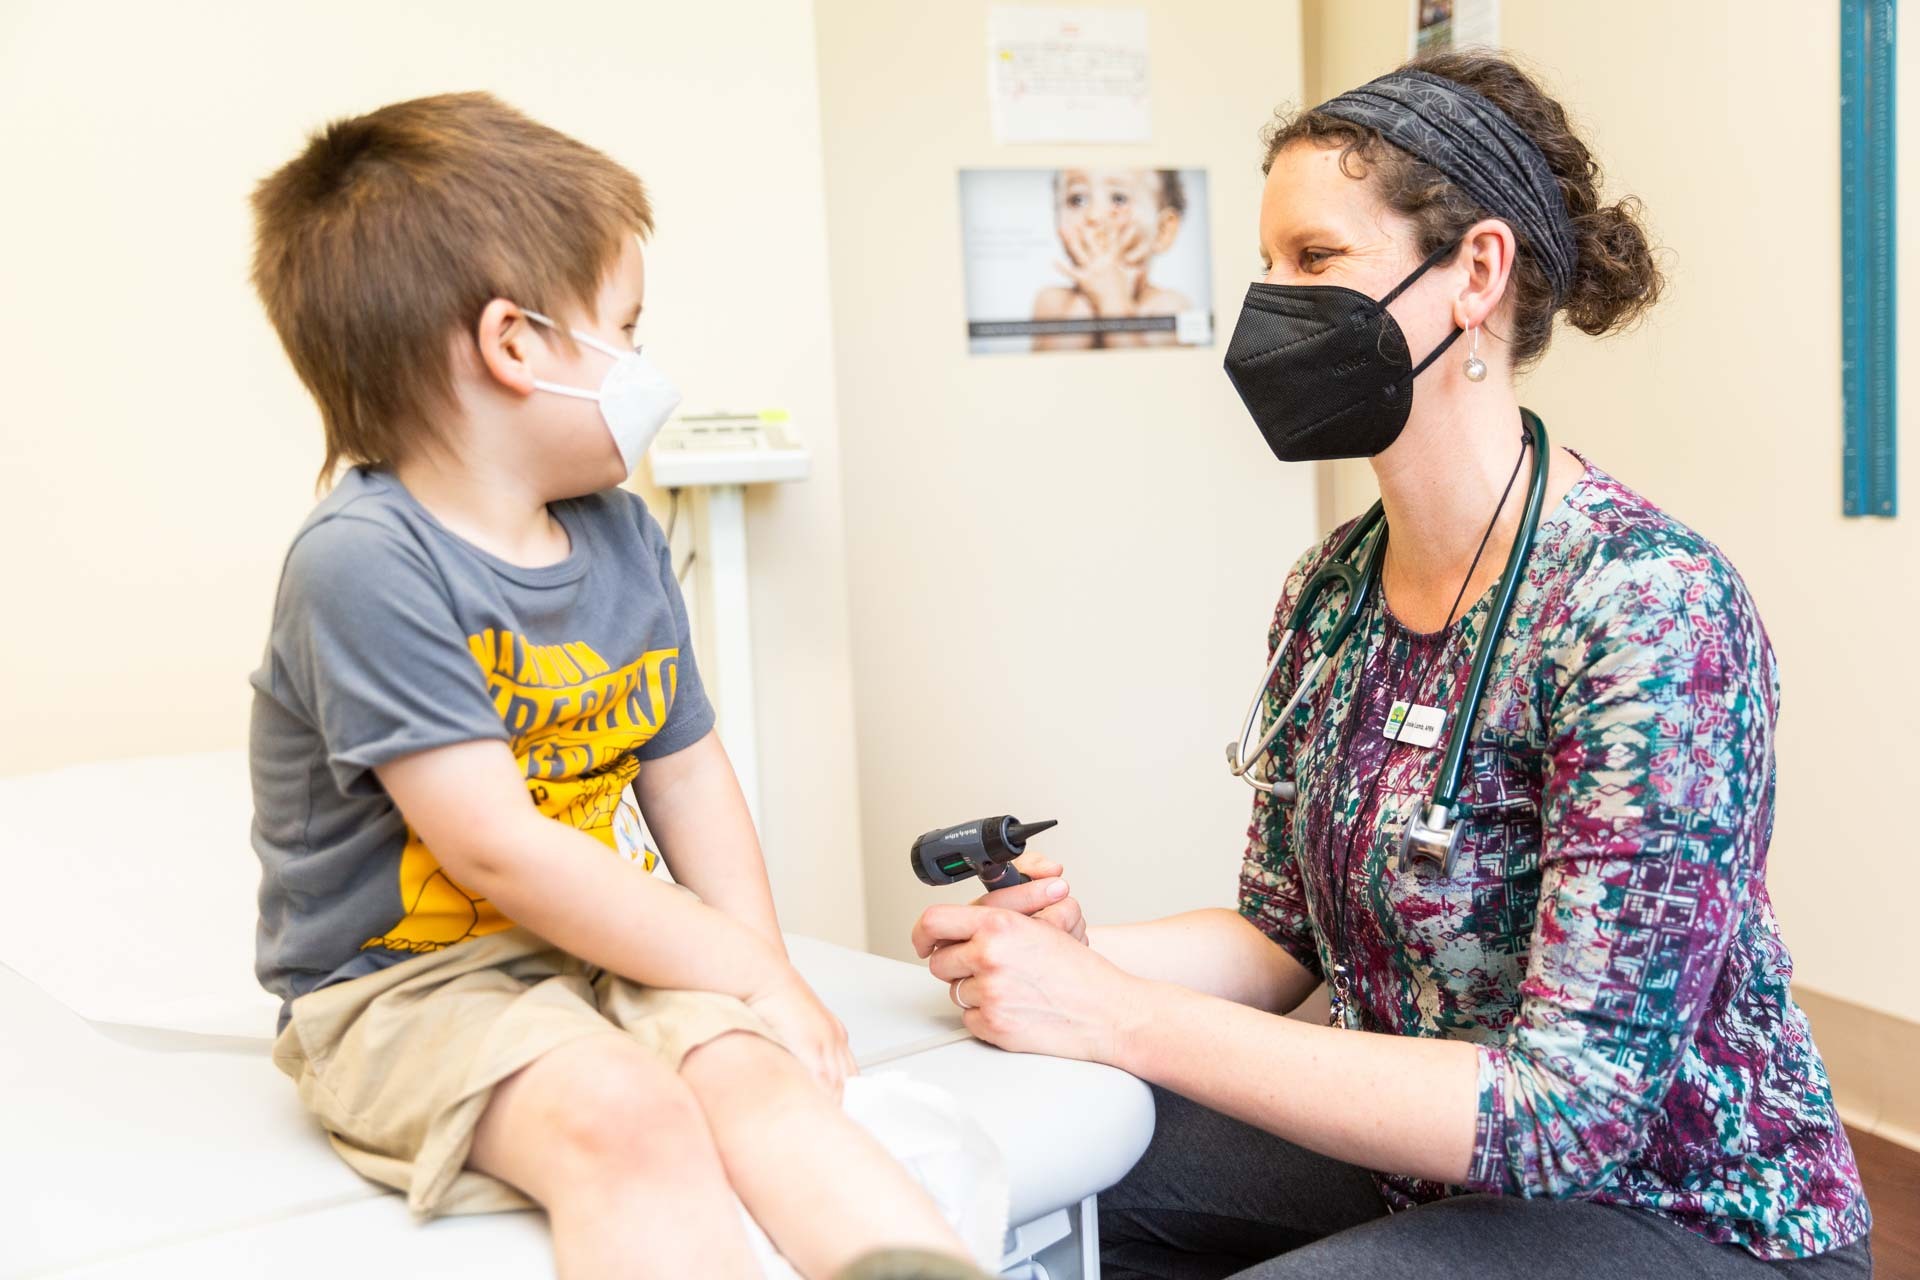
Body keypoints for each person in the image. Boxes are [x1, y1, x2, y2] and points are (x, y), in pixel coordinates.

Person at [913, 51, 1874, 1278]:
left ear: (1476, 272)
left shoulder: (1647, 608)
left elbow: (1573, 1113)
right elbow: (1279, 937)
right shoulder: (1330, 592)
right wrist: (1071, 957)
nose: (1271, 305)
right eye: (1265, 265)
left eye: (1314, 261)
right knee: (1018, 1176)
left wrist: (1118, 1017)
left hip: (1683, 1211)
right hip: (1420, 1165)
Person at [246, 92, 983, 1280]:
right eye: (625, 329)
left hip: (600, 949)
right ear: (516, 341)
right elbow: (497, 850)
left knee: (752, 1071)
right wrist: (738, 966)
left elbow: (688, 771)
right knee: (624, 1110)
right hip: (410, 987)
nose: (643, 365)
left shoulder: (624, 539)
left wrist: (767, 974)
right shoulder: (365, 562)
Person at [1032, 168, 1193, 350]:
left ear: (1163, 231)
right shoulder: (1052, 301)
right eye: (1077, 200)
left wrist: (1113, 298)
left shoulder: (1169, 306)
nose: (1094, 215)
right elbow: (1050, 372)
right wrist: (1093, 293)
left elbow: (1142, 373)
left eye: (1118, 199)